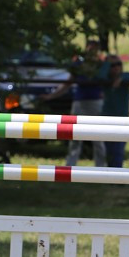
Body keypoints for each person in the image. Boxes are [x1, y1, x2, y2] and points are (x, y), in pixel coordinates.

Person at [43, 39, 106, 167]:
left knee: (98, 136)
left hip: (95, 102)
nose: (91, 50)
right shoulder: (78, 62)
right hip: (80, 101)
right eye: (90, 47)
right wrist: (51, 96)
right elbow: (68, 82)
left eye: (94, 47)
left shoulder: (101, 63)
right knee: (74, 135)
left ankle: (101, 166)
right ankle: (70, 165)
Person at [98, 55, 129, 168]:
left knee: (118, 149)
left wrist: (121, 79)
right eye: (113, 65)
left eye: (119, 64)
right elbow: (100, 77)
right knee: (108, 149)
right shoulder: (105, 79)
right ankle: (110, 173)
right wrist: (106, 64)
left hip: (122, 119)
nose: (116, 67)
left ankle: (117, 175)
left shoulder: (126, 76)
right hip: (106, 119)